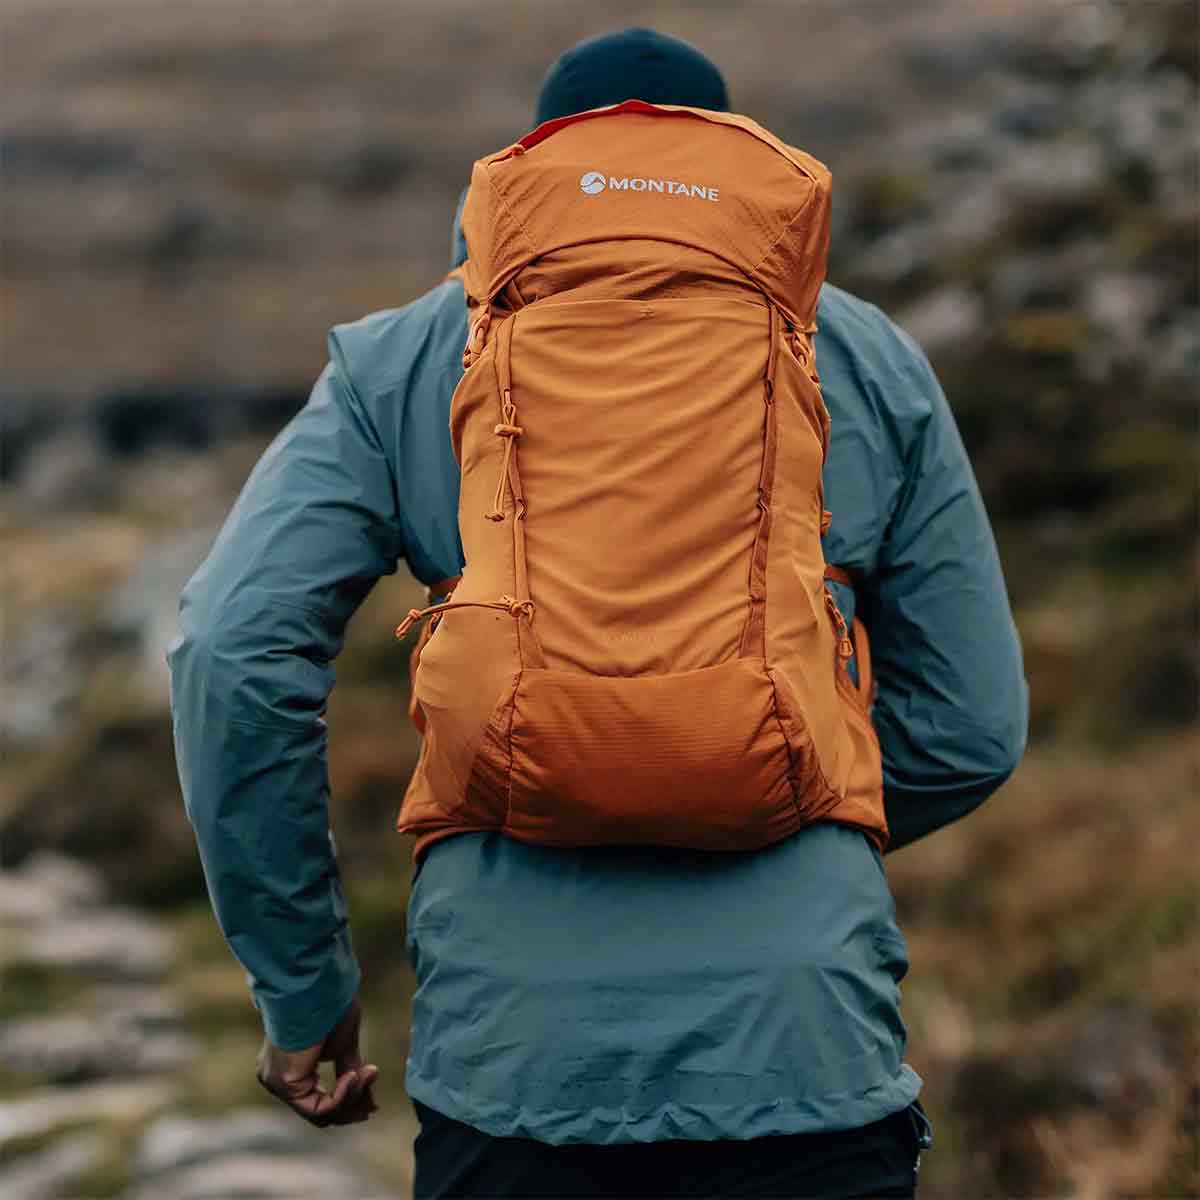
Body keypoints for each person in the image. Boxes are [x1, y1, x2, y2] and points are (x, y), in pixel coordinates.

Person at [169, 27, 1027, 1199]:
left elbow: (230, 652)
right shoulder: (867, 359)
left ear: (533, 167)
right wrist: (780, 782)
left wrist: (304, 989)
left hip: (515, 1062)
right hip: (803, 1045)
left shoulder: (407, 357)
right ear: (740, 170)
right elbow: (975, 725)